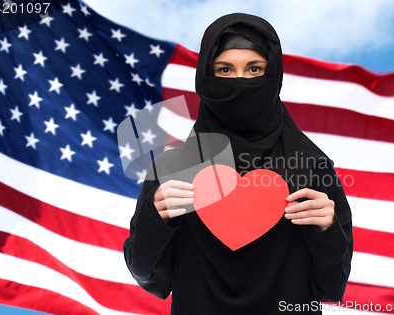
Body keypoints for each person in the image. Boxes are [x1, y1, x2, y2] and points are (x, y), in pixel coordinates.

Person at [124, 13, 353, 315]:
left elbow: (332, 283)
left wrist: (327, 229)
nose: (240, 82)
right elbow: (149, 276)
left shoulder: (312, 167)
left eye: (255, 69)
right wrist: (156, 219)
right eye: (224, 70)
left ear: (274, 76)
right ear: (205, 76)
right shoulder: (173, 170)